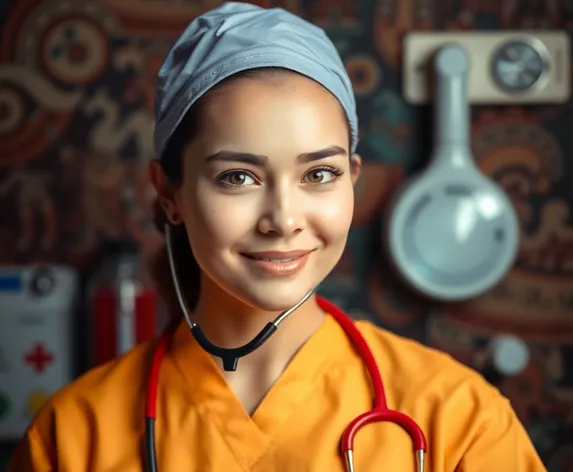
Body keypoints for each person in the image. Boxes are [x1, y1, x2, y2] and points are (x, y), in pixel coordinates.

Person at [8, 2, 546, 471]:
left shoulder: (458, 418)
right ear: (167, 192)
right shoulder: (74, 437)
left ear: (352, 180)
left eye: (319, 174)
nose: (283, 218)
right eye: (238, 177)